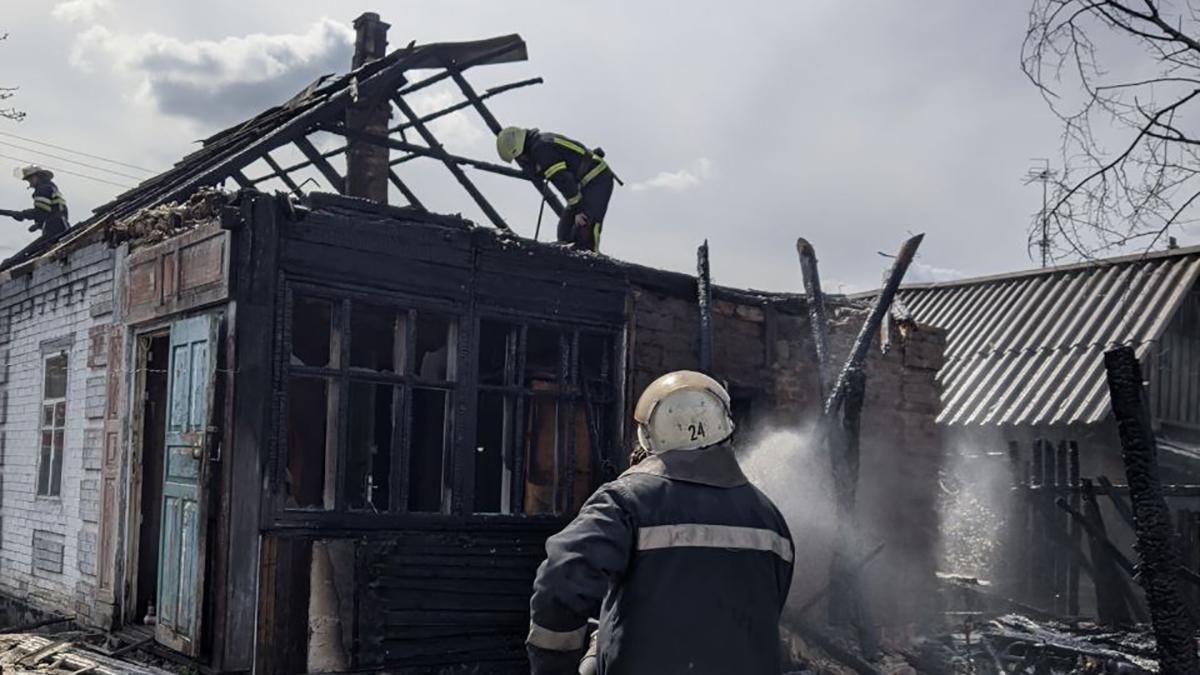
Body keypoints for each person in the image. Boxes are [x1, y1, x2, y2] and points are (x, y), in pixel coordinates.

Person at [526, 371, 795, 675]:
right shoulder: (770, 519)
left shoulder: (626, 501)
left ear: (648, 436)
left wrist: (555, 665)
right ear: (725, 431)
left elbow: (561, 581)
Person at [496, 127, 614, 252]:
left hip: (597, 179)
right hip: (583, 183)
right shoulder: (539, 143)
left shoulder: (541, 149)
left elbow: (564, 180)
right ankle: (567, 257)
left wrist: (578, 210)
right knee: (565, 230)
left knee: (585, 227)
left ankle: (590, 258)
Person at [2, 166, 69, 240]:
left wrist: (21, 214)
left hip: (55, 227)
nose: (30, 183)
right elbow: (50, 212)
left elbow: (41, 211)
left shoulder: (42, 189)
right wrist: (39, 224)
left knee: (37, 247)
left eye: (30, 179)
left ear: (39, 176)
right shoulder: (50, 187)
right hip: (59, 225)